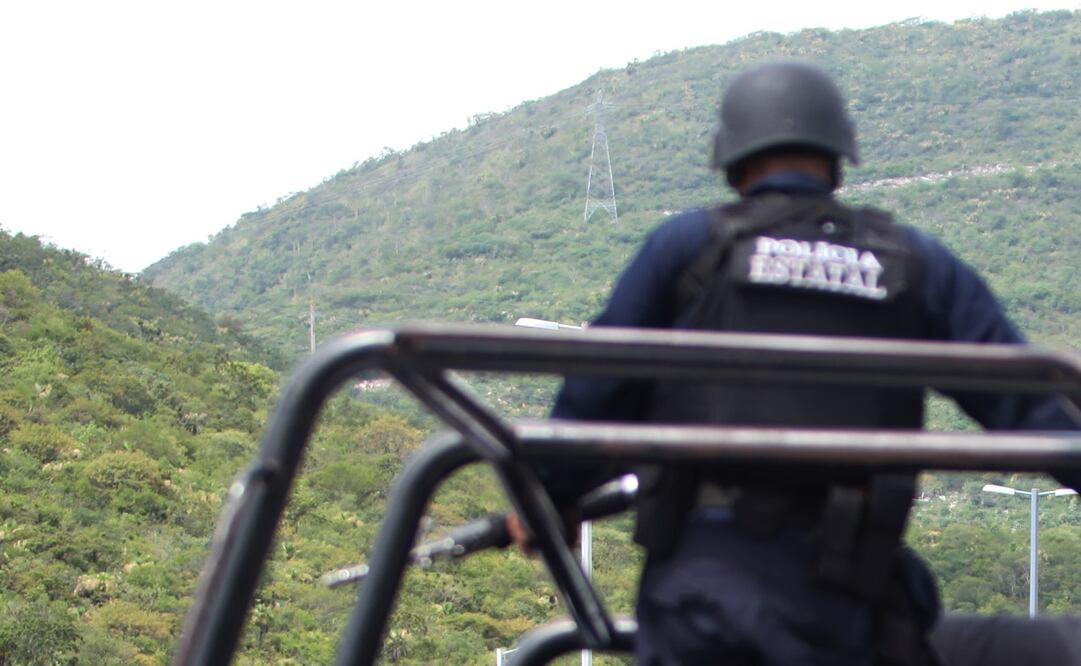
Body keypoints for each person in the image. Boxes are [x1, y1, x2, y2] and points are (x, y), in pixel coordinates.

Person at [509, 60, 1081, 665]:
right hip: (847, 601)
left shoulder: (688, 247)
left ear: (731, 161)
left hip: (702, 603)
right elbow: (1033, 405)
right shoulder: (914, 263)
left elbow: (597, 386)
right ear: (838, 158)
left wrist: (548, 495)